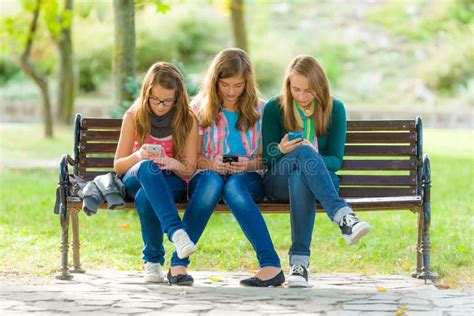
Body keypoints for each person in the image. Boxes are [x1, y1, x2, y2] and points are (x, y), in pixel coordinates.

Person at [169, 48, 285, 287]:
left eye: (238, 85)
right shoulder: (198, 109)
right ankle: (177, 265)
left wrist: (247, 164)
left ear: (248, 83)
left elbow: (266, 158)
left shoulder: (261, 110)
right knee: (211, 183)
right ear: (215, 82)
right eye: (225, 85)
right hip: (207, 173)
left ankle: (271, 265)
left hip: (247, 176)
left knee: (234, 189)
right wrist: (211, 163)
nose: (231, 92)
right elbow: (191, 155)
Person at [262, 54, 371, 288]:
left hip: (317, 184)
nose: (301, 96)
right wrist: (281, 149)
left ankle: (299, 266)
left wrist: (313, 158)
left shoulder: (335, 109)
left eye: (308, 90)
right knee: (302, 152)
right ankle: (343, 216)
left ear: (320, 86)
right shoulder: (275, 107)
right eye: (296, 89)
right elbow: (267, 159)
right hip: (278, 183)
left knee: (302, 174)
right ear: (288, 85)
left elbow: (335, 160)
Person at [114, 62, 199, 285]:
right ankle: (176, 232)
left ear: (178, 97)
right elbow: (119, 166)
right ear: (146, 94)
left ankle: (152, 263)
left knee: (146, 196)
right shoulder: (134, 116)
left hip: (172, 180)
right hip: (136, 176)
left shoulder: (187, 119)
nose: (160, 106)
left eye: (167, 100)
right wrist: (139, 155)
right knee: (147, 168)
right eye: (155, 99)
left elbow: (189, 169)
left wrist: (170, 161)